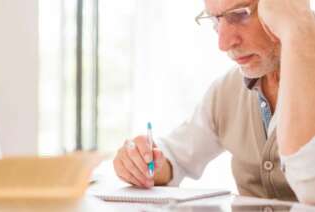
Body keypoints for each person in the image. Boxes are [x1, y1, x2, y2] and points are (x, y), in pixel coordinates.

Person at [113, 0, 315, 204]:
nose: (223, 43)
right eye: (215, 20)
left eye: (240, 14)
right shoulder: (229, 88)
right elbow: (176, 155)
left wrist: (298, 29)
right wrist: (143, 162)